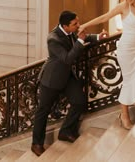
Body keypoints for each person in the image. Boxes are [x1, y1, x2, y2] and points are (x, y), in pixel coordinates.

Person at [78, 0, 135, 130]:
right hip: (126, 50)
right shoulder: (123, 7)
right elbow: (104, 17)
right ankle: (124, 115)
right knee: (127, 82)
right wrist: (85, 25)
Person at [31, 10, 107, 157]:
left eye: (77, 22)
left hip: (67, 77)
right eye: (75, 24)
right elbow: (67, 58)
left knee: (79, 101)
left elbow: (80, 38)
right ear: (65, 26)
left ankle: (65, 131)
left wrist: (98, 36)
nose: (78, 25)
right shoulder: (53, 39)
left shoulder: (69, 31)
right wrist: (80, 41)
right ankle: (36, 143)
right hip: (51, 80)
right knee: (43, 111)